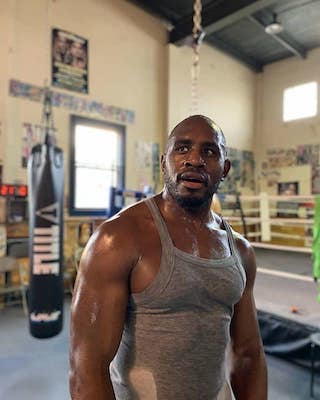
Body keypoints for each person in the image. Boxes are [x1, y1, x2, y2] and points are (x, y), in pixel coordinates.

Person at [69, 115, 267, 400]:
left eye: (209, 151)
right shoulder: (118, 239)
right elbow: (85, 368)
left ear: (224, 169)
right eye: (182, 148)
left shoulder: (240, 251)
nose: (194, 160)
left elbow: (249, 354)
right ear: (164, 163)